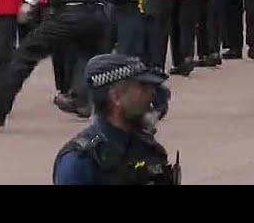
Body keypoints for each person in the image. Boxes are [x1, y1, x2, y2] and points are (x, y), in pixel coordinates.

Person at [53, 54, 180, 185]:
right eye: (142, 86)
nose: (152, 93)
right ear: (116, 97)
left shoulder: (149, 149)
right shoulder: (81, 161)